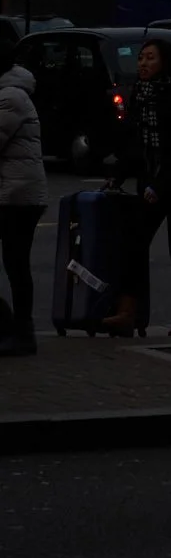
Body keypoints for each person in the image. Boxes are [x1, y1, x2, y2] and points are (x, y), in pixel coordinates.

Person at [103, 37, 171, 337]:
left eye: (150, 58)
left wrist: (160, 185)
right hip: (151, 182)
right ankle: (127, 311)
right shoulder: (140, 95)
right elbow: (136, 142)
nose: (143, 63)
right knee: (135, 244)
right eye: (141, 58)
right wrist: (118, 174)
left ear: (166, 62)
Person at [0, 63, 47, 357]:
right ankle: (13, 328)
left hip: (18, 197)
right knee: (15, 264)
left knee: (16, 265)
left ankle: (21, 332)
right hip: (13, 193)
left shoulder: (11, 97)